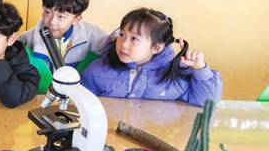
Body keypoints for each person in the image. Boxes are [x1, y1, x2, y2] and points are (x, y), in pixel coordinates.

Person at [81, 7, 222, 107]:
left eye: (134, 39)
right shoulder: (98, 70)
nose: (123, 44)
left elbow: (207, 102)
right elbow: (81, 105)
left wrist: (200, 69)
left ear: (156, 48)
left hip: (159, 137)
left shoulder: (176, 72)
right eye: (122, 35)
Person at [18, 0, 108, 71]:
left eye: (61, 16)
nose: (52, 22)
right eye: (47, 12)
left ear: (76, 19)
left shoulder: (94, 36)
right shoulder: (26, 39)